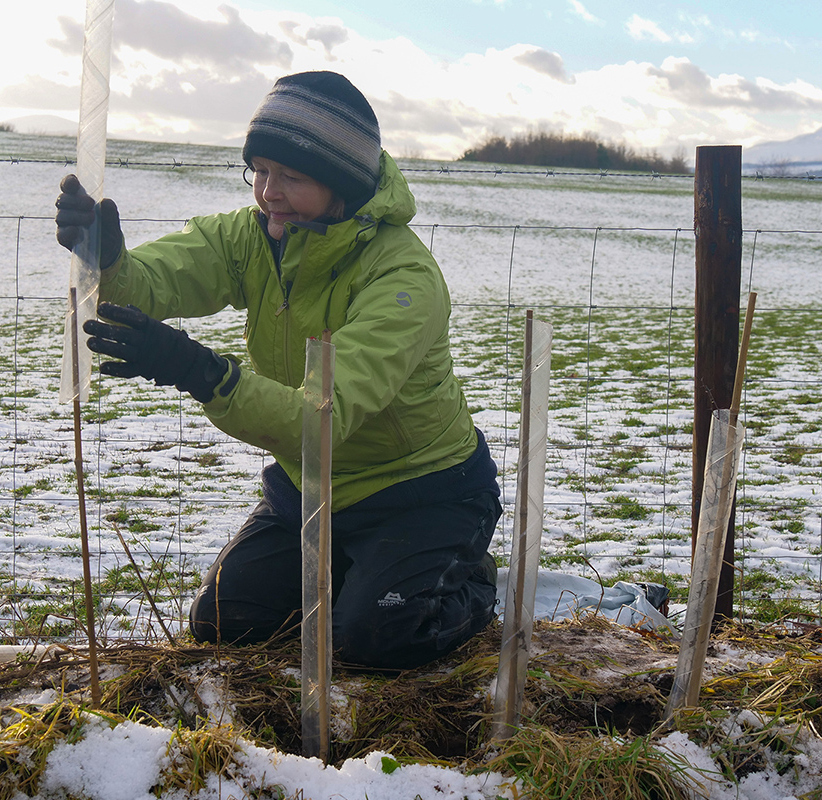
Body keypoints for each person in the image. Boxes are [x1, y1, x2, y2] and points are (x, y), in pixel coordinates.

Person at [55, 71, 501, 670]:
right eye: (260, 170)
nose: (269, 192)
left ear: (341, 184)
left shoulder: (403, 279)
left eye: (291, 176)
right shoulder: (255, 238)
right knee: (223, 622)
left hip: (420, 493)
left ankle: (467, 582)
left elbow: (321, 420)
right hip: (310, 491)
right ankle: (359, 573)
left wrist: (201, 371)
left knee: (379, 638)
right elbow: (155, 280)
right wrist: (108, 258)